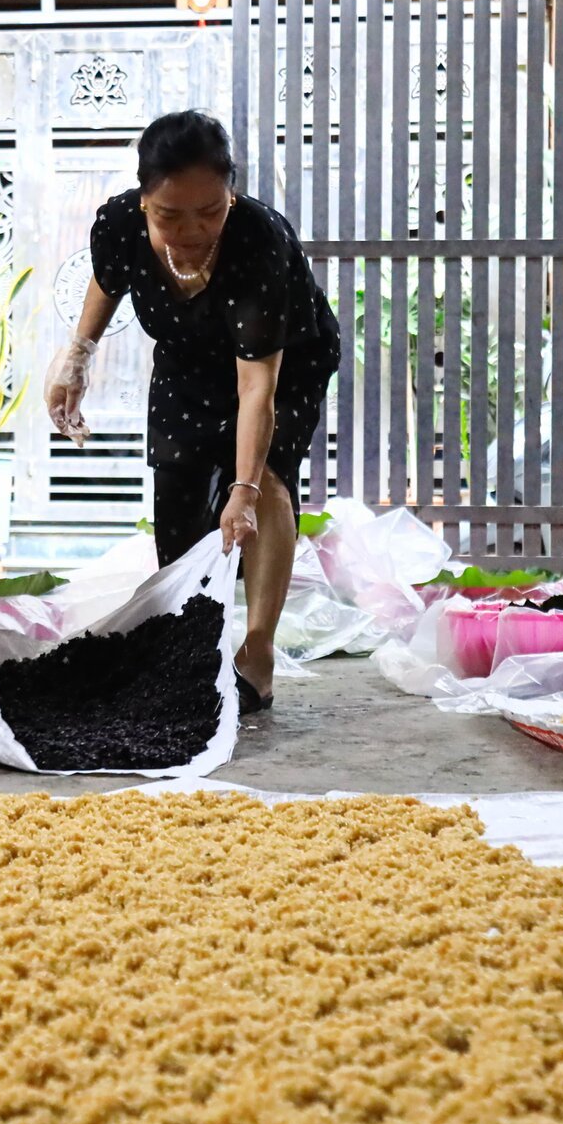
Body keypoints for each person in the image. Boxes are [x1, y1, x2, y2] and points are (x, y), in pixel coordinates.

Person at [43, 111, 340, 713]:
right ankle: (188, 645)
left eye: (210, 212)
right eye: (169, 216)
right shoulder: (120, 222)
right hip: (187, 354)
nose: (192, 231)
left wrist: (245, 488)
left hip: (284, 361)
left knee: (269, 483)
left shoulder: (259, 241)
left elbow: (257, 387)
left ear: (231, 191)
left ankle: (257, 653)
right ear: (144, 199)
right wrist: (77, 355)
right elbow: (107, 280)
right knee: (176, 491)